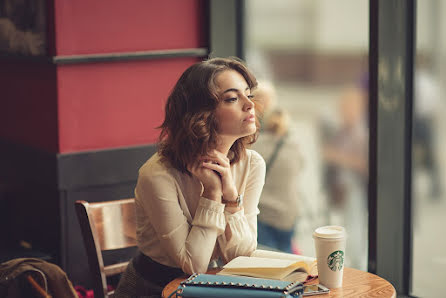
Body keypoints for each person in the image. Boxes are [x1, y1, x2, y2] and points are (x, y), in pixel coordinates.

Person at [114, 57, 266, 297]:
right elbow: (193, 266)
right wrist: (212, 194)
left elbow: (242, 256)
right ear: (201, 114)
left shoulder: (253, 164)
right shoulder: (157, 175)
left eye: (249, 95)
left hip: (212, 288)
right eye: (232, 98)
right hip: (152, 290)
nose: (250, 105)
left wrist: (230, 197)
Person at [252, 81, 303, 253]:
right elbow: (301, 166)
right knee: (288, 265)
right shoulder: (293, 143)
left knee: (268, 267)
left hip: (264, 215)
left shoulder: (252, 145)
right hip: (288, 215)